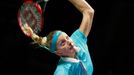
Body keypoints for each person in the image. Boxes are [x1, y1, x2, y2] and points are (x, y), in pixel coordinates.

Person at [22, 0, 94, 75]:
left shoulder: (77, 40)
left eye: (67, 37)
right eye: (63, 43)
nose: (69, 42)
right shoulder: (62, 71)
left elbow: (89, 12)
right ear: (58, 53)